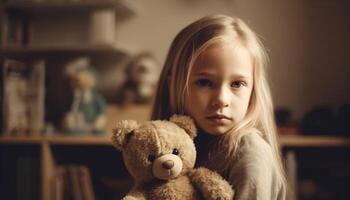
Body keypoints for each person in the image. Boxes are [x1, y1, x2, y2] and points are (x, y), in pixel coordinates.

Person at [151, 15, 287, 199]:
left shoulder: (250, 153)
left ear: (254, 89)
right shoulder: (173, 148)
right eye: (204, 82)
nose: (222, 99)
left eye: (237, 84)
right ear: (172, 83)